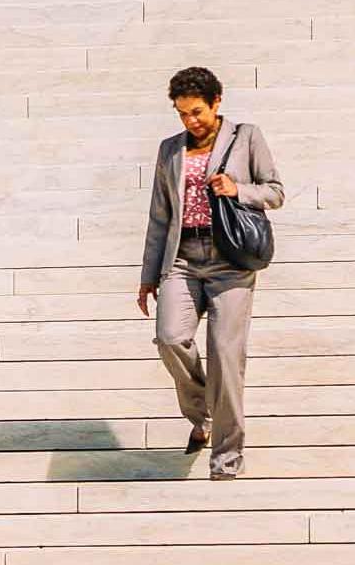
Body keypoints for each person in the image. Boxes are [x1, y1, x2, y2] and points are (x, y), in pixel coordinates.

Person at [137, 65, 284, 479]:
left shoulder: (246, 136)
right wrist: (149, 276)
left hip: (230, 261)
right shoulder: (170, 149)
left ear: (217, 103)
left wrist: (239, 190)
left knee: (225, 357)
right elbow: (159, 215)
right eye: (182, 113)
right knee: (170, 338)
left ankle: (227, 457)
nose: (190, 121)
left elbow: (275, 191)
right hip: (181, 258)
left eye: (197, 111)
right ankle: (202, 416)